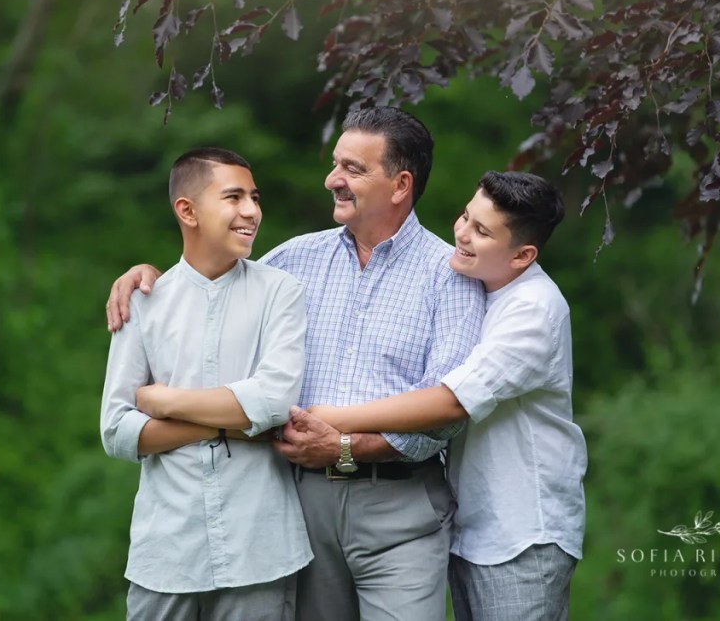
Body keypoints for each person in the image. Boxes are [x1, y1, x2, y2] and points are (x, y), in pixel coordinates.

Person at [106, 108, 485, 621]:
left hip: (400, 510)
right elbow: (210, 284)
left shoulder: (450, 277)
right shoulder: (292, 261)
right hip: (302, 505)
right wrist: (145, 274)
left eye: (352, 169)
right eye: (336, 164)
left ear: (400, 184)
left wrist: (345, 446)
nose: (333, 179)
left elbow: (444, 413)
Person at [308, 170, 587, 621]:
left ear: (522, 255)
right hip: (472, 526)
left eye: (482, 230)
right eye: (464, 216)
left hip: (520, 534)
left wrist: (338, 419)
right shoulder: (479, 289)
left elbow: (451, 402)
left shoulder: (534, 310)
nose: (462, 233)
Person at [100, 147, 312, 621]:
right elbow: (116, 431)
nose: (252, 211)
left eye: (255, 198)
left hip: (260, 548)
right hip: (166, 553)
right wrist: (233, 423)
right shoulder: (144, 302)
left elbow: (274, 403)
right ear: (187, 210)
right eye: (234, 197)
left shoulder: (281, 292)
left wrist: (166, 402)